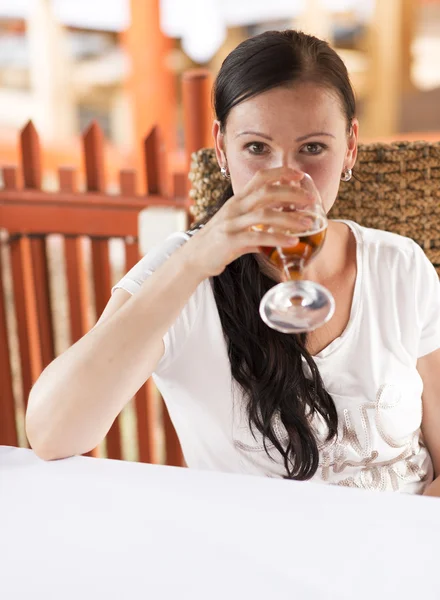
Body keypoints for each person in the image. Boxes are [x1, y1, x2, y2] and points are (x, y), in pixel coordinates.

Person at [26, 30, 440, 496]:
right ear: (222, 147)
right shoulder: (181, 275)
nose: (285, 177)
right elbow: (52, 434)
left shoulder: (400, 265)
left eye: (313, 148)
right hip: (261, 562)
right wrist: (197, 260)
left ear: (351, 146)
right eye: (257, 148)